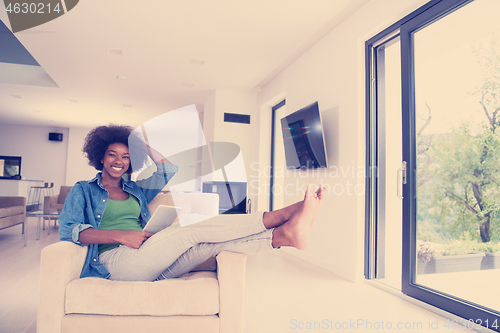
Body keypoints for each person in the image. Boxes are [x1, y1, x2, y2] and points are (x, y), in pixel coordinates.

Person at [59, 124, 325, 281]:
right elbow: (68, 230)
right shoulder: (84, 190)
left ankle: (282, 236)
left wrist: (142, 145)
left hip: (150, 260)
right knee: (191, 228)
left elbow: (168, 169)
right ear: (100, 157)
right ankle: (281, 214)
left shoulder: (137, 190)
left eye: (126, 156)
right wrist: (122, 235)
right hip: (113, 263)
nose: (119, 161)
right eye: (112, 155)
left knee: (207, 246)